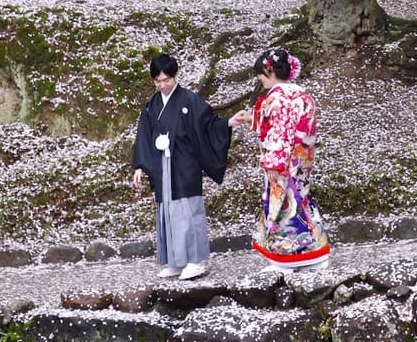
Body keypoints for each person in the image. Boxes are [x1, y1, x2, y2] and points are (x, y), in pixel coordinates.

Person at [131, 53, 232, 281]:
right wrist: (139, 166)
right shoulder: (151, 105)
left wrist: (228, 123)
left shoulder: (189, 100)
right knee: (167, 210)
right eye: (157, 81)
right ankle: (175, 261)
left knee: (188, 208)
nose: (162, 85)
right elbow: (144, 136)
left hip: (185, 161)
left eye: (166, 80)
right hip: (161, 162)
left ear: (176, 76)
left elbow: (209, 123)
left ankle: (196, 260)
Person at [228, 47, 331, 270]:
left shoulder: (279, 97)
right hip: (301, 160)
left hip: (283, 162)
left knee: (282, 205)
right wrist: (252, 118)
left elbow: (281, 130)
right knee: (300, 199)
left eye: (260, 74)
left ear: (269, 71)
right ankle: (316, 251)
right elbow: (291, 125)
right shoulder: (301, 94)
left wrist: (274, 162)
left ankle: (289, 256)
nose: (259, 79)